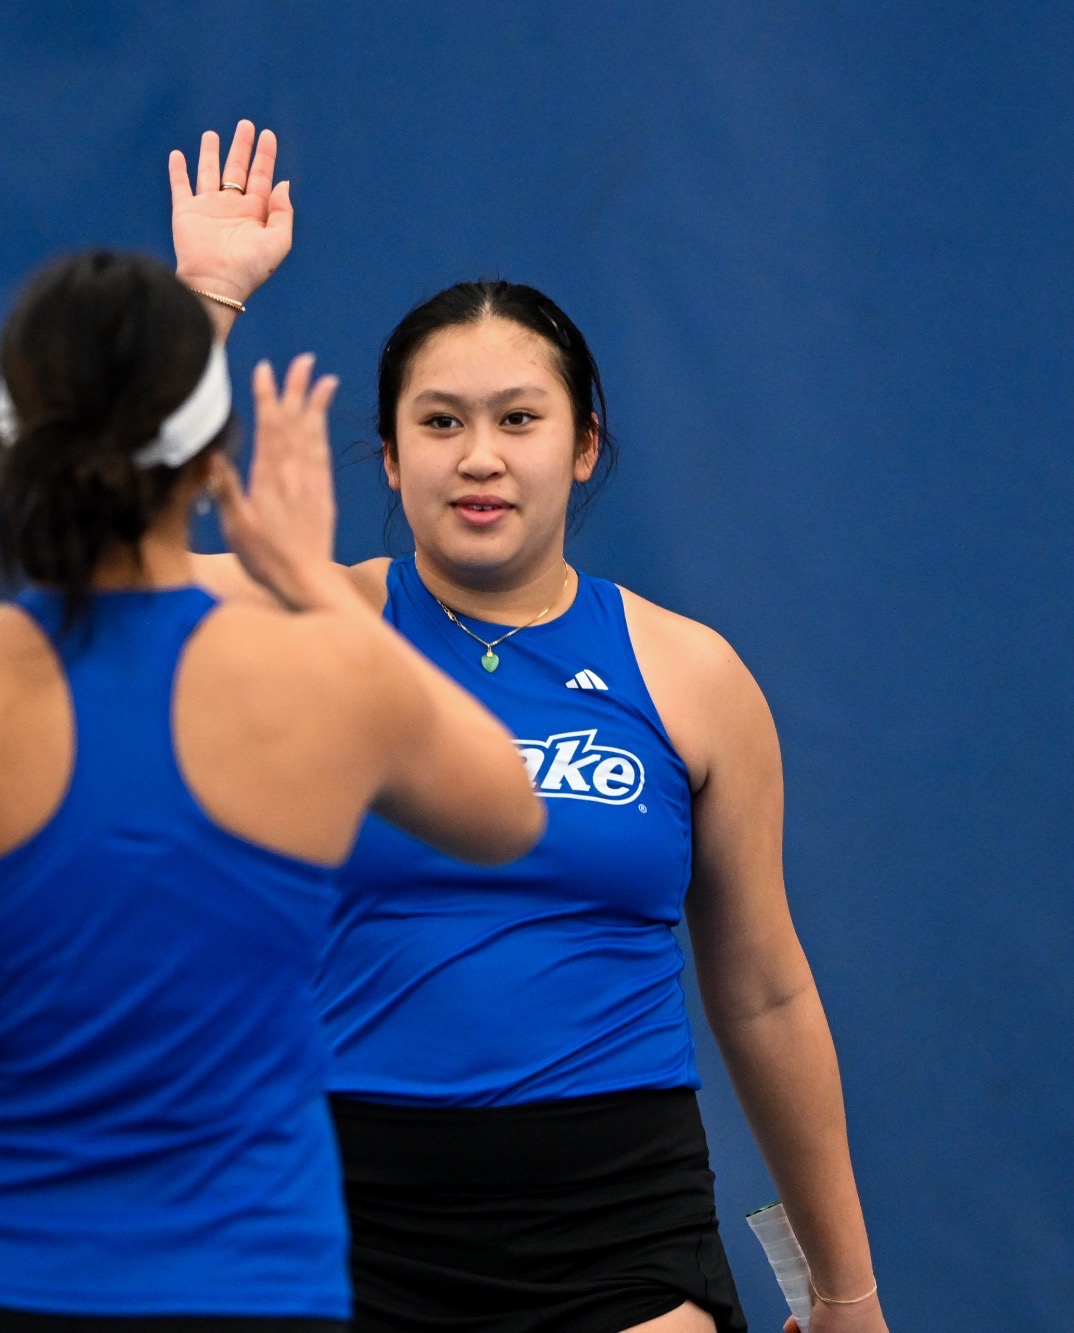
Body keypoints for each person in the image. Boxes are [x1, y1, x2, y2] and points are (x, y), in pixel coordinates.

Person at [0, 250, 545, 1331]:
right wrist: (309, 582)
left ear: (10, 437)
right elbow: (509, 811)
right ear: (214, 453)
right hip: (255, 1292)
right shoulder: (328, 675)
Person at [172, 121, 887, 1333]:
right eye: (439, 423)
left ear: (584, 447)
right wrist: (203, 300)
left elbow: (763, 992)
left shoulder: (690, 675)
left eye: (518, 419)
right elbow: (85, 566)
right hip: (339, 1215)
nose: (478, 457)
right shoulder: (311, 619)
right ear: (388, 461)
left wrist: (843, 1291)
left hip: (612, 1219)